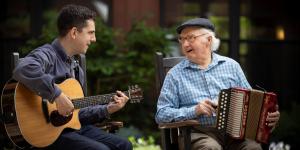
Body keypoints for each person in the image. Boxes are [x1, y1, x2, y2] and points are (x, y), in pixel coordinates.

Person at [13, 4, 132, 150]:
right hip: (48, 133)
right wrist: (57, 95)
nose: (94, 39)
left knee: (124, 145)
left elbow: (78, 114)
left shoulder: (76, 69)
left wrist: (107, 109)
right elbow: (24, 68)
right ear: (74, 32)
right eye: (90, 33)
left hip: (71, 129)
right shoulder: (47, 54)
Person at [155, 18, 280, 150]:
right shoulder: (175, 74)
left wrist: (267, 116)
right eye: (182, 39)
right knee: (210, 148)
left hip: (235, 134)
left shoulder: (232, 66)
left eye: (191, 38)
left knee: (253, 148)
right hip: (199, 133)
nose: (185, 44)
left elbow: (251, 104)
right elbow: (161, 114)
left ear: (208, 40)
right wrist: (194, 110)